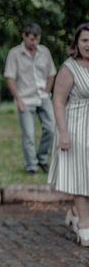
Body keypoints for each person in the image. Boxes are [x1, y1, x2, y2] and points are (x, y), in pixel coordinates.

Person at [48, 23, 89, 246]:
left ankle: (74, 213)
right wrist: (63, 132)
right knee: (80, 176)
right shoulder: (69, 67)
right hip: (76, 128)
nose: (88, 45)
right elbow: (58, 100)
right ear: (77, 43)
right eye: (85, 40)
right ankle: (84, 224)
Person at [4, 23, 57, 174]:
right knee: (29, 134)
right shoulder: (14, 53)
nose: (35, 42)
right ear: (24, 36)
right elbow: (10, 77)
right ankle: (31, 166)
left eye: (37, 39)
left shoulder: (44, 52)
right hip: (25, 99)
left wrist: (47, 91)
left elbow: (51, 73)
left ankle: (42, 158)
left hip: (43, 97)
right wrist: (18, 99)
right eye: (32, 39)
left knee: (51, 129)